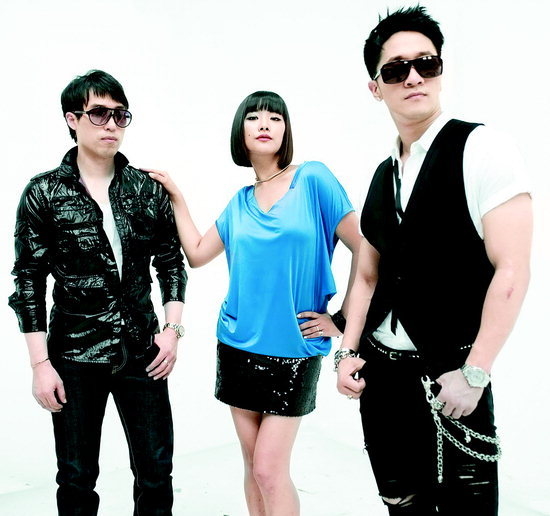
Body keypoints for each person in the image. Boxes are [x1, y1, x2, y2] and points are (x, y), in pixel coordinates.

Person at [334, 6, 532, 515]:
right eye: (396, 69)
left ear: (441, 69)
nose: (414, 77)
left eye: (426, 63)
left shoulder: (483, 148)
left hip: (452, 375)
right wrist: (347, 352)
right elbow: (368, 276)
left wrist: (476, 372)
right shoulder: (383, 175)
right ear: (376, 87)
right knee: (400, 502)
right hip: (382, 376)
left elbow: (512, 270)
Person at [147, 90, 361, 515]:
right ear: (240, 132)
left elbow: (367, 248)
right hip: (237, 344)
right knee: (252, 465)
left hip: (295, 348)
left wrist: (341, 320)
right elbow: (197, 253)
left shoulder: (313, 179)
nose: (265, 124)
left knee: (269, 469)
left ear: (286, 130)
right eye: (254, 117)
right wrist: (176, 196)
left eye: (275, 117)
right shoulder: (240, 202)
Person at [8, 70, 187, 515]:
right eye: (99, 114)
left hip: (143, 350)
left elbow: (171, 261)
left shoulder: (146, 188)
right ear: (72, 119)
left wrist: (172, 331)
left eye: (120, 115)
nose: (111, 125)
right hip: (73, 353)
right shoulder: (44, 192)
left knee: (155, 471)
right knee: (76, 476)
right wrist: (40, 365)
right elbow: (28, 281)